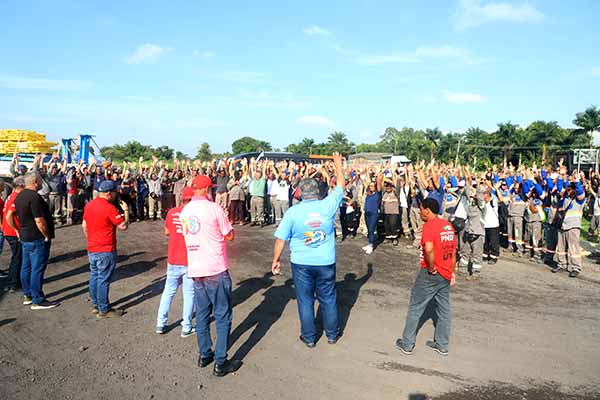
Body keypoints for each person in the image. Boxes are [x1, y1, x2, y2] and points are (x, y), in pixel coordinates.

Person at [271, 152, 345, 347]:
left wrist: (275, 260)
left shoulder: (293, 212)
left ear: (300, 193)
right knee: (328, 298)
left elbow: (280, 239)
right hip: (325, 262)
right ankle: (331, 335)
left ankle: (309, 337)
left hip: (301, 263)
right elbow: (340, 188)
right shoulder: (327, 206)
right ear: (318, 192)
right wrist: (338, 165)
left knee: (305, 301)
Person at [180, 175, 241, 377]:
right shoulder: (214, 208)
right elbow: (230, 235)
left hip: (196, 269)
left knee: (203, 315)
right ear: (207, 189)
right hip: (215, 268)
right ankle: (220, 361)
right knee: (223, 315)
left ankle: (205, 353)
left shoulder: (185, 210)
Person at [396, 198, 456, 356]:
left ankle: (407, 343)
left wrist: (431, 267)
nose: (419, 211)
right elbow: (453, 251)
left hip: (431, 273)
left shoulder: (429, 226)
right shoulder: (447, 226)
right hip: (446, 272)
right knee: (444, 309)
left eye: (421, 208)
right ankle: (442, 344)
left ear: (427, 210)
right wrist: (452, 271)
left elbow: (429, 249)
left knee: (416, 307)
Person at [82, 180, 128, 318]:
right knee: (103, 279)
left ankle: (95, 305)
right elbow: (123, 226)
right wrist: (125, 211)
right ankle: (104, 309)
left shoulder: (89, 205)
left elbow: (84, 225)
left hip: (92, 247)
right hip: (106, 248)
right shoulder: (109, 208)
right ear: (109, 193)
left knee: (94, 275)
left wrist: (90, 239)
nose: (116, 194)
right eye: (115, 192)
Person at [14, 172, 59, 309]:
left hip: (26, 236)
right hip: (36, 237)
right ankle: (37, 299)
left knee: (26, 267)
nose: (41, 183)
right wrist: (46, 235)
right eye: (40, 181)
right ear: (35, 182)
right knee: (37, 268)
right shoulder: (34, 197)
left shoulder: (19, 196)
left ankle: (28, 294)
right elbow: (39, 220)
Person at [155, 186, 196, 337]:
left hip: (173, 258)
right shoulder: (195, 214)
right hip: (189, 259)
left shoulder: (172, 212)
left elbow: (167, 231)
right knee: (189, 293)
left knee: (168, 291)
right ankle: (186, 326)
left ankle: (160, 323)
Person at [3, 176, 25, 292]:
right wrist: (16, 229)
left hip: (8, 230)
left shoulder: (11, 196)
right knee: (17, 257)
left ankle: (12, 281)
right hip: (13, 232)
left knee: (16, 257)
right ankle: (13, 283)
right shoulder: (16, 197)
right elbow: (9, 215)